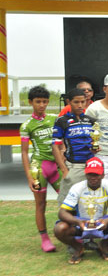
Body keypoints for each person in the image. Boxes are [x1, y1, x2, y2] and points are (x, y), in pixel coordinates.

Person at [54, 157, 108, 264]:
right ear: (85, 174)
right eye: (90, 174)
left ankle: (104, 245)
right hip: (82, 224)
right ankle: (78, 247)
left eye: (96, 174)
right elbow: (62, 213)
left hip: (102, 223)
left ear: (103, 175)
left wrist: (107, 221)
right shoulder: (77, 187)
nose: (93, 178)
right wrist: (78, 222)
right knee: (59, 228)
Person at [20, 86, 63, 252]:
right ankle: (45, 239)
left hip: (56, 165)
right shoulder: (26, 125)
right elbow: (24, 153)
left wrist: (64, 155)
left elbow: (62, 139)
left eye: (45, 101)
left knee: (68, 200)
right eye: (38, 102)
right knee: (41, 204)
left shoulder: (55, 118)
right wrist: (29, 177)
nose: (42, 105)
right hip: (40, 167)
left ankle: (69, 230)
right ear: (31, 102)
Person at [52, 88, 97, 206]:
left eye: (83, 102)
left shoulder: (90, 121)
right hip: (73, 166)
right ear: (69, 102)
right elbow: (55, 147)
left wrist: (95, 148)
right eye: (76, 102)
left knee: (88, 202)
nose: (80, 105)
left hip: (90, 167)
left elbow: (94, 142)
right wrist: (64, 170)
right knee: (68, 204)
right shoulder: (62, 121)